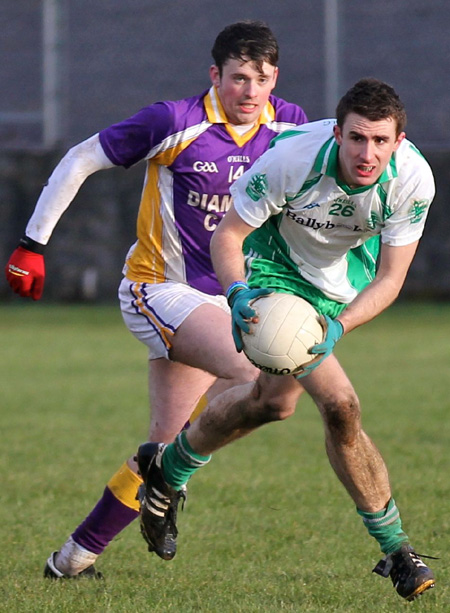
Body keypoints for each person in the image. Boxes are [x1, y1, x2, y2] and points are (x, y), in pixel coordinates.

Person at [4, 21, 308, 577]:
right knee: (257, 378)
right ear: (214, 75)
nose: (249, 91)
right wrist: (32, 244)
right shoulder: (175, 121)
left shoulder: (290, 126)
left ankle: (70, 560)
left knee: (168, 447)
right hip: (158, 290)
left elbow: (341, 163)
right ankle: (168, 480)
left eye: (259, 79)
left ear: (275, 79)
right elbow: (80, 159)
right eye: (237, 77)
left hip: (227, 304)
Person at [135, 78, 437, 602]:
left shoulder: (412, 180)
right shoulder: (291, 159)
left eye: (381, 141)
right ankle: (396, 550)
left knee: (271, 405)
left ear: (399, 140)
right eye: (358, 138)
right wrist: (235, 293)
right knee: (341, 405)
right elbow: (227, 235)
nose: (368, 154)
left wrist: (339, 325)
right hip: (276, 273)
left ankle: (167, 466)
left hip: (338, 287)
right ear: (337, 133)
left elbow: (390, 279)